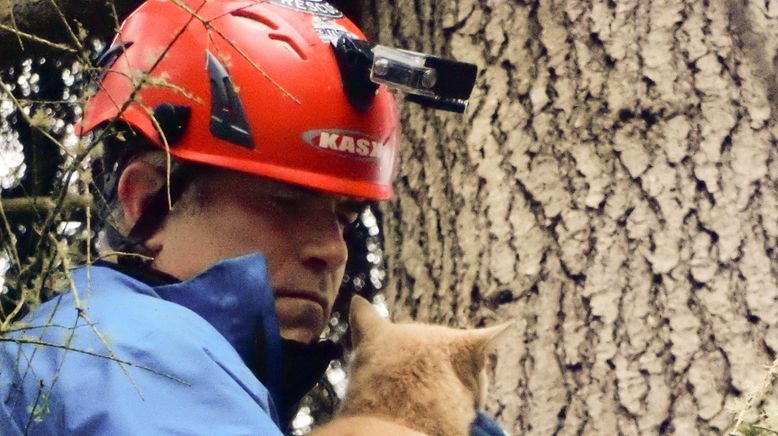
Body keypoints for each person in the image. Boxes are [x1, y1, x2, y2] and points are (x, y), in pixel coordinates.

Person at [0, 0, 504, 434]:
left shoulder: (87, 351)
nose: (332, 251)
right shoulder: (137, 353)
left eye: (346, 216)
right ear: (143, 199)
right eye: (283, 202)